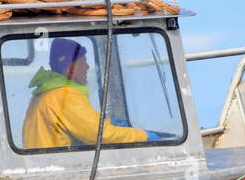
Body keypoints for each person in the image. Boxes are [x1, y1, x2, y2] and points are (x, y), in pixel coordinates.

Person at [22, 37, 156, 150]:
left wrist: (109, 123)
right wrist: (144, 136)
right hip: (58, 170)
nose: (87, 67)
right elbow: (100, 135)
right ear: (71, 67)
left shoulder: (47, 94)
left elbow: (83, 124)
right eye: (83, 62)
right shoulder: (64, 96)